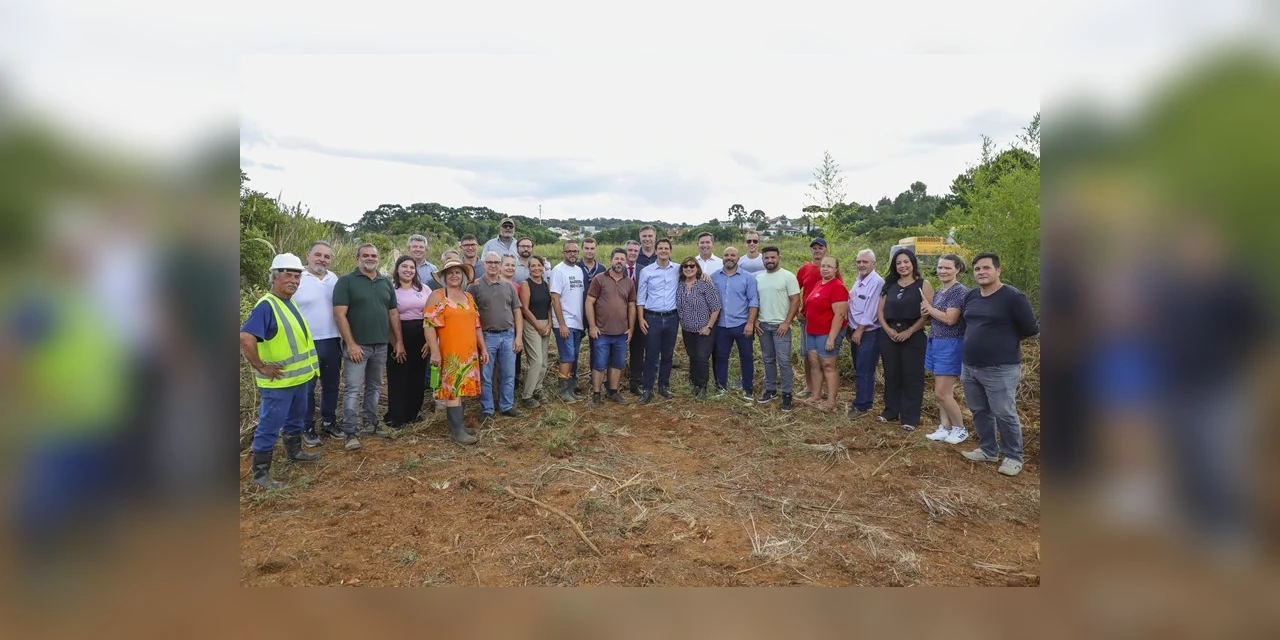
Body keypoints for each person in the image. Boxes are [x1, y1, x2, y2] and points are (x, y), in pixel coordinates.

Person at [239, 253, 321, 490]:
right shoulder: (267, 305)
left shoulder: (288, 301)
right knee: (270, 425)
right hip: (279, 383)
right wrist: (261, 367)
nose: (294, 280)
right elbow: (246, 337)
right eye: (288, 274)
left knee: (295, 419)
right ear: (274, 277)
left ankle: (295, 451)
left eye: (297, 276)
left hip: (298, 380)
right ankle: (260, 473)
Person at [958, 253, 1039, 476]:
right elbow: (968, 323)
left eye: (986, 268)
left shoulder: (1013, 297)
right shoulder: (972, 296)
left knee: (1004, 412)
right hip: (970, 365)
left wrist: (1002, 341)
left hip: (1000, 367)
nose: (981, 272)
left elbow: (1031, 329)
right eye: (977, 269)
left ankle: (1013, 456)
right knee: (979, 410)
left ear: (998, 270)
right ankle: (988, 450)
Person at [333, 243, 402, 449]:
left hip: (380, 345)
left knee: (374, 387)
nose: (370, 258)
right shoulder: (347, 281)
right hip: (358, 347)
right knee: (353, 389)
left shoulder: (385, 282)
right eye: (366, 255)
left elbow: (393, 314)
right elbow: (339, 314)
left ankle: (370, 424)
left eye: (373, 255)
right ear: (357, 258)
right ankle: (350, 432)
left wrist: (397, 341)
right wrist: (351, 344)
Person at [423, 259, 486, 445]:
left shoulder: (468, 297)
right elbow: (428, 325)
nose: (454, 275)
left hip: (468, 352)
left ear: (463, 276)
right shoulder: (438, 295)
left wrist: (482, 347)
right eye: (449, 272)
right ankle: (457, 432)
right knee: (453, 391)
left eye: (457, 272)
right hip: (449, 352)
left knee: (462, 388)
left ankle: (459, 426)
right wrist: (434, 352)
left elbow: (476, 325)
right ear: (443, 276)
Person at [876, 248, 933, 431]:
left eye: (906, 262)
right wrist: (888, 330)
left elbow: (927, 314)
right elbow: (880, 312)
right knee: (892, 374)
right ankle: (890, 411)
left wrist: (909, 332)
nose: (903, 266)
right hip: (889, 335)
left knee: (912, 376)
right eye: (899, 263)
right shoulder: (889, 285)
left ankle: (910, 417)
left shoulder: (923, 285)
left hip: (914, 335)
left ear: (913, 263)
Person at [293, 241, 342, 444]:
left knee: (331, 385)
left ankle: (329, 422)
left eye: (327, 256)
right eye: (318, 255)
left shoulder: (334, 279)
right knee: (308, 388)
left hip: (331, 339)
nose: (322, 259)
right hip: (306, 341)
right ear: (308, 255)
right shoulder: (297, 277)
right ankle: (306, 426)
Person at [468, 251, 524, 419]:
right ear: (483, 264)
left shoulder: (509, 286)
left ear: (500, 265)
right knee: (486, 375)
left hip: (508, 335)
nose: (493, 265)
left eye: (496, 262)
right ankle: (487, 409)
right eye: (489, 262)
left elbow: (517, 311)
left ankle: (506, 405)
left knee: (508, 374)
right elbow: (471, 315)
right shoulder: (475, 286)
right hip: (487, 337)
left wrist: (518, 336)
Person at [921, 254, 970, 444]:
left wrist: (930, 309)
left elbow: (951, 319)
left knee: (942, 392)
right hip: (935, 341)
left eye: (947, 268)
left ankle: (960, 428)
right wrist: (927, 312)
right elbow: (936, 316)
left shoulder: (959, 291)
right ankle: (945, 427)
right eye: (940, 267)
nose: (942, 271)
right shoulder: (941, 291)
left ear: (957, 269)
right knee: (940, 391)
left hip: (951, 343)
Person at [585, 248, 636, 406]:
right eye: (617, 259)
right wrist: (592, 326)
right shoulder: (599, 279)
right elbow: (589, 302)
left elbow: (632, 305)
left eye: (622, 259)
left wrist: (631, 328)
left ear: (626, 262)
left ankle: (613, 392)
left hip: (621, 332)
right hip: (602, 332)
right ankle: (596, 394)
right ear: (611, 260)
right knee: (600, 364)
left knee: (617, 364)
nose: (619, 261)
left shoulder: (628, 282)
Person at [385, 255, 432, 430]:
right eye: (404, 267)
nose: (408, 270)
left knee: (417, 376)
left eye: (412, 267)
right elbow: (388, 317)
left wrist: (429, 341)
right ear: (397, 269)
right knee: (398, 376)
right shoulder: (390, 289)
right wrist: (397, 342)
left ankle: (412, 414)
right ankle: (396, 417)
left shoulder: (424, 289)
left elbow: (430, 315)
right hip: (398, 336)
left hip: (421, 336)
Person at [754, 245, 800, 411]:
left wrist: (787, 322)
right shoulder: (758, 278)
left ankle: (787, 394)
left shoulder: (787, 276)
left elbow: (795, 300)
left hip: (781, 326)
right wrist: (755, 320)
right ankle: (771, 389)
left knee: (784, 362)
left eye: (773, 257)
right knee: (767, 359)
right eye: (766, 258)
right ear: (763, 259)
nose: (770, 260)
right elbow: (755, 301)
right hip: (763, 326)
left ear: (778, 258)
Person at [636, 238, 681, 405]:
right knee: (651, 356)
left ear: (670, 250)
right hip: (652, 318)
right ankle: (647, 389)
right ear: (655, 251)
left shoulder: (677, 269)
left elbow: (694, 274)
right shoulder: (647, 271)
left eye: (666, 248)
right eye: (660, 248)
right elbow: (641, 298)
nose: (663, 251)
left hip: (671, 318)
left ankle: (663, 386)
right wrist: (641, 319)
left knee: (668, 355)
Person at [711, 246, 759, 399]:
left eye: (733, 255)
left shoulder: (748, 277)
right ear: (722, 257)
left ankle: (747, 388)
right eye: (726, 255)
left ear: (738, 258)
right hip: (721, 325)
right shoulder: (714, 277)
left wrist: (750, 323)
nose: (729, 258)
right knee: (721, 357)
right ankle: (721, 387)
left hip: (742, 325)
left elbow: (753, 301)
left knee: (746, 357)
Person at [801, 256, 848, 411]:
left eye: (829, 266)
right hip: (812, 331)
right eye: (823, 266)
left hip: (827, 333)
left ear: (836, 269)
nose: (825, 269)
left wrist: (831, 338)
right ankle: (815, 396)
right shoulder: (818, 284)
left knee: (828, 365)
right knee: (815, 364)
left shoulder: (837, 287)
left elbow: (840, 315)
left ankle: (831, 401)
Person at [845, 249, 884, 421]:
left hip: (868, 332)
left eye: (865, 262)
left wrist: (860, 330)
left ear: (873, 263)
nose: (861, 265)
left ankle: (863, 405)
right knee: (859, 366)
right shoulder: (859, 280)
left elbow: (872, 309)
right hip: (855, 330)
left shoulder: (877, 282)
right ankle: (862, 400)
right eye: (859, 261)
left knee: (865, 369)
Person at [675, 256, 721, 400]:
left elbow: (716, 307)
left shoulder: (705, 284)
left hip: (704, 329)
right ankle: (694, 383)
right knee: (693, 357)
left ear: (697, 268)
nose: (689, 268)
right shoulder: (680, 284)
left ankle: (702, 387)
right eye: (686, 266)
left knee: (702, 357)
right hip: (687, 329)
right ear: (682, 269)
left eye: (692, 266)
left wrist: (708, 326)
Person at [549, 240, 587, 403]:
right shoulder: (558, 271)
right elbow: (555, 299)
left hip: (577, 322)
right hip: (564, 323)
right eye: (569, 251)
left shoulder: (579, 271)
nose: (572, 254)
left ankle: (570, 389)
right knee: (567, 356)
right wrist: (562, 323)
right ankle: (563, 390)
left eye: (575, 251)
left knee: (574, 356)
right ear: (563, 253)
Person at [795, 237, 828, 397]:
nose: (817, 250)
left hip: (826, 320)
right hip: (807, 319)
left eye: (820, 248)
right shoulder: (804, 269)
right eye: (814, 248)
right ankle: (809, 386)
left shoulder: (830, 268)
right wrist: (796, 312)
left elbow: (840, 293)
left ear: (825, 250)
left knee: (825, 355)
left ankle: (826, 388)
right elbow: (794, 292)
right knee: (807, 354)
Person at [519, 255, 553, 408]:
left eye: (539, 265)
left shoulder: (546, 284)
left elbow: (548, 306)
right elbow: (524, 308)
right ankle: (527, 395)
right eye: (533, 266)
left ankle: (538, 388)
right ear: (529, 268)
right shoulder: (526, 284)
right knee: (536, 361)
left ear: (543, 267)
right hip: (531, 325)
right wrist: (538, 326)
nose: (536, 268)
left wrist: (549, 324)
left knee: (544, 362)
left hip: (545, 324)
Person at [574, 237, 607, 390]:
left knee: (597, 346)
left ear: (596, 249)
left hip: (596, 315)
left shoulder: (602, 269)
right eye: (586, 248)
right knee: (574, 348)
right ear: (582, 249)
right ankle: (572, 379)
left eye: (592, 248)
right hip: (577, 313)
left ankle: (593, 377)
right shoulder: (575, 267)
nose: (589, 251)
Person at [625, 238, 648, 395]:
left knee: (637, 351)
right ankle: (612, 382)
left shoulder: (644, 270)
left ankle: (635, 383)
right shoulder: (616, 268)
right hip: (619, 317)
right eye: (630, 250)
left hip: (639, 315)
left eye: (635, 251)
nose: (632, 253)